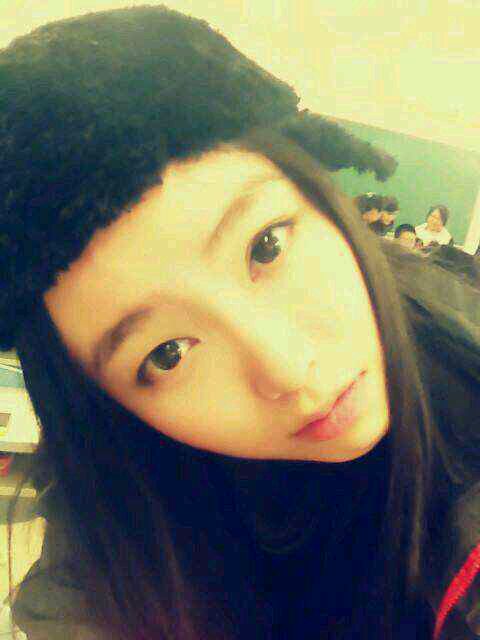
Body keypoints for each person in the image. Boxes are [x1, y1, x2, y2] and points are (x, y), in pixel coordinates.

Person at [1, 6, 480, 640]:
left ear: (320, 195)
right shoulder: (113, 570)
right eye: (168, 354)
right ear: (103, 405)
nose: (287, 368)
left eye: (266, 246)